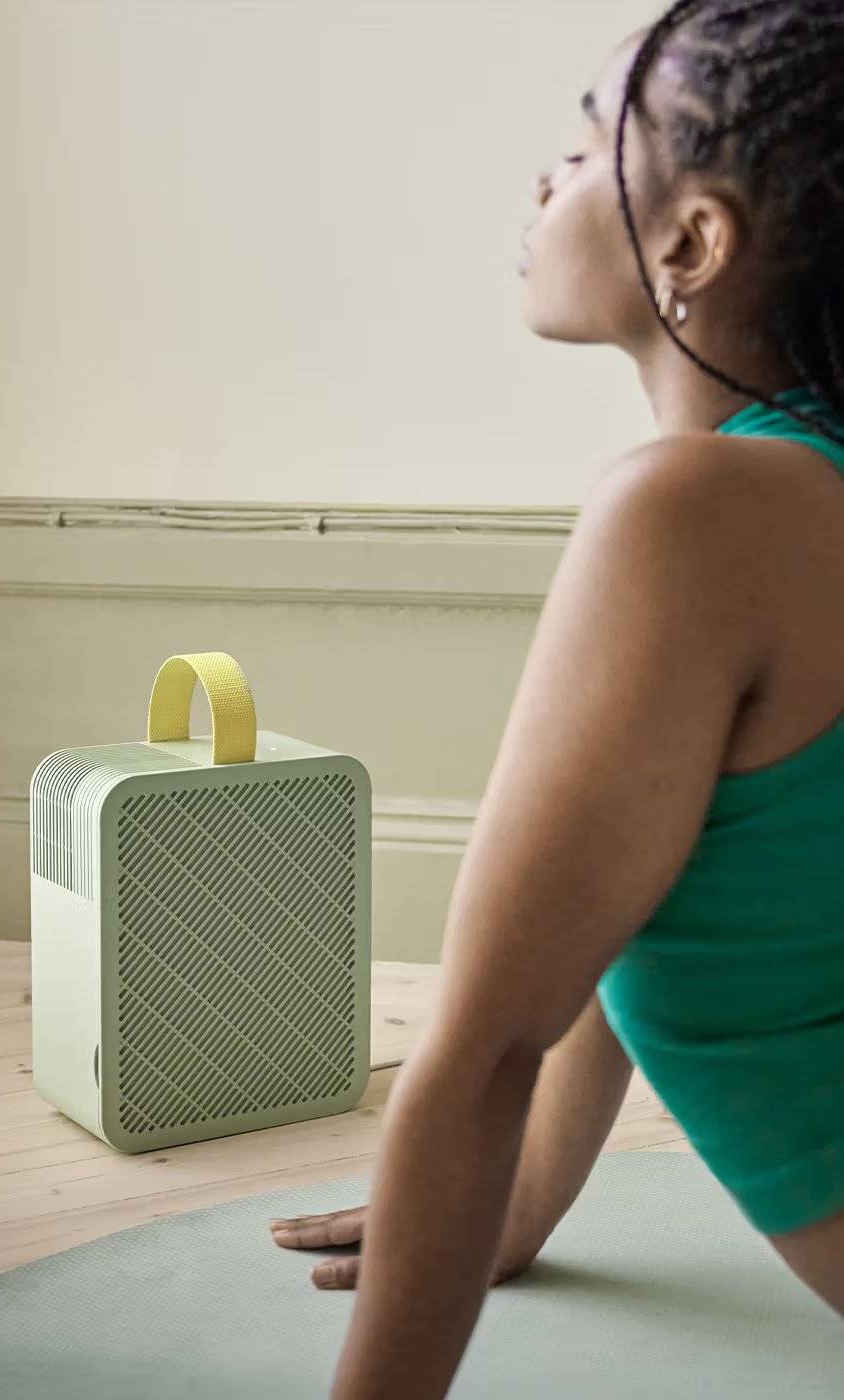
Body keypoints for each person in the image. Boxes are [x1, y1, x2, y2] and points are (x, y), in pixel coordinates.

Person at [271, 0, 844, 1358]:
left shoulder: (691, 513)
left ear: (689, 242)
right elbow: (635, 885)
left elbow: (481, 1048)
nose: (547, 176)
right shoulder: (792, 495)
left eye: (587, 148)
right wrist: (512, 1204)